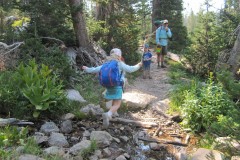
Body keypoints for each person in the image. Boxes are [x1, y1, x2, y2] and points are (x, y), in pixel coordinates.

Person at [82, 48, 142, 129]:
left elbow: (95, 69)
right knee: (117, 103)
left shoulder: (106, 64)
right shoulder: (119, 63)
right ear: (119, 56)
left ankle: (114, 113)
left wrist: (87, 69)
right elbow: (130, 69)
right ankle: (108, 114)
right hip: (117, 86)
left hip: (108, 86)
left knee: (114, 99)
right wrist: (138, 65)